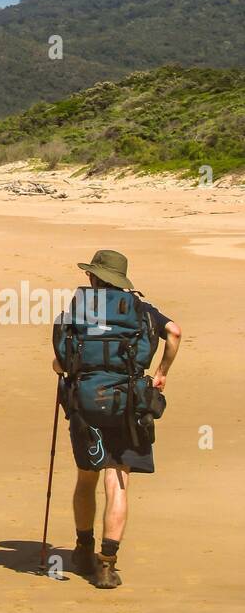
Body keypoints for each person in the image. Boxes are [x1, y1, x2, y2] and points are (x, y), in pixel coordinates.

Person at [52, 249, 182, 589]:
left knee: (86, 478)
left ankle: (82, 550)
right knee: (118, 481)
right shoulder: (141, 309)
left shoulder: (79, 309)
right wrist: (161, 372)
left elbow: (61, 361)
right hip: (127, 404)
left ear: (94, 277)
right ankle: (107, 565)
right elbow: (175, 332)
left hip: (85, 404)